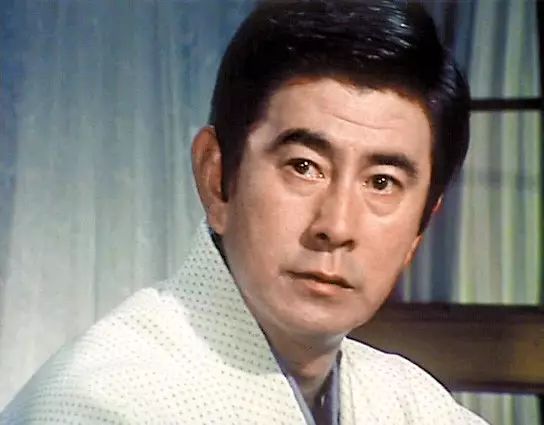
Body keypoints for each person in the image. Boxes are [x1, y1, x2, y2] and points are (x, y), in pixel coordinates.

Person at [1, 1, 489, 424]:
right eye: (304, 167)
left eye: (381, 182)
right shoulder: (102, 403)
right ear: (216, 178)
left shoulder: (410, 403)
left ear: (420, 228)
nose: (336, 226)